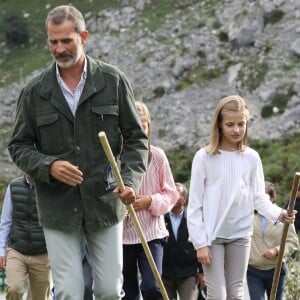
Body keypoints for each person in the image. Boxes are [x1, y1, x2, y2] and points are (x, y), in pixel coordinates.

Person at [8, 5, 148, 300]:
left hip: (106, 203)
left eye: (66, 40)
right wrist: (49, 165)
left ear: (84, 36)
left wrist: (130, 181)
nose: (58, 48)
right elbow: (18, 146)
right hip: (57, 208)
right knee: (69, 293)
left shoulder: (113, 81)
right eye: (52, 41)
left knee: (110, 291)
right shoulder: (34, 91)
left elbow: (137, 140)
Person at [186, 95, 297, 300]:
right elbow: (194, 205)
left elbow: (259, 198)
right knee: (217, 296)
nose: (236, 130)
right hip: (212, 236)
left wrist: (280, 214)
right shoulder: (204, 157)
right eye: (230, 124)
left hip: (240, 234)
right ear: (219, 124)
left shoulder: (252, 157)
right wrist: (199, 243)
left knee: (236, 294)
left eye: (241, 124)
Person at [122, 101, 179, 300]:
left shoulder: (157, 157)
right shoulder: (117, 158)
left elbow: (171, 193)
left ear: (149, 127)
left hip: (152, 233)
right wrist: (123, 205)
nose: (139, 130)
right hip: (123, 237)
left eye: (143, 126)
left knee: (152, 287)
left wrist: (150, 201)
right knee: (128, 292)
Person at [0, 174, 51, 300]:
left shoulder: (51, 187)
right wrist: (1, 250)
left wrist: (55, 252)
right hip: (17, 250)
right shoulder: (14, 186)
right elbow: (6, 221)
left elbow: (57, 224)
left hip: (43, 253)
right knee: (14, 289)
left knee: (40, 297)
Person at [247, 181, 299, 300]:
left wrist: (276, 250)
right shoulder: (249, 217)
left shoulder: (285, 216)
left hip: (276, 271)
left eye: (264, 197)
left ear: (273, 197)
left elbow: (293, 242)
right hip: (253, 271)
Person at [162, 182, 205, 300]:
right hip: (165, 274)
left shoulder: (192, 219)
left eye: (177, 193)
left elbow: (200, 245)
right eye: (171, 193)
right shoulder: (161, 218)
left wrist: (201, 272)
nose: (173, 196)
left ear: (184, 199)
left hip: (188, 274)